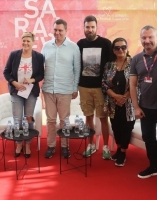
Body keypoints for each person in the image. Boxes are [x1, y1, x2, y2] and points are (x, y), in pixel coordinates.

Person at [41, 19, 80, 159]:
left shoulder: (73, 47)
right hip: (48, 89)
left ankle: (65, 146)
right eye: (55, 30)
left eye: (60, 30)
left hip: (65, 90)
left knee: (64, 120)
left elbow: (77, 69)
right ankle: (51, 146)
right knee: (50, 120)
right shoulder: (46, 46)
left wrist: (75, 88)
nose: (57, 32)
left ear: (66, 31)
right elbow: (40, 66)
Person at [3, 32, 44, 158]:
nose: (25, 43)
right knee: (17, 119)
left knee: (29, 118)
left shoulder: (39, 56)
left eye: (28, 41)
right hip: (16, 92)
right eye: (24, 40)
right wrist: (14, 83)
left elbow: (41, 75)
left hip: (31, 92)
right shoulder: (14, 55)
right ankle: (19, 143)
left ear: (33, 42)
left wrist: (32, 80)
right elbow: (6, 72)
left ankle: (27, 143)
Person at [77, 15, 112, 159]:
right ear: (84, 28)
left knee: (103, 118)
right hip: (84, 87)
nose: (90, 30)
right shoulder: (79, 44)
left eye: (92, 27)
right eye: (87, 27)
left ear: (97, 28)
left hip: (101, 89)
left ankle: (105, 147)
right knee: (88, 117)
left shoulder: (106, 43)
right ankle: (90, 145)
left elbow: (111, 67)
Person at [130, 25, 157, 178]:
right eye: (144, 38)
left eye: (150, 37)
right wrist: (136, 107)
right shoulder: (136, 59)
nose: (147, 40)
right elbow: (133, 85)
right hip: (145, 107)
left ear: (156, 37)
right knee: (149, 138)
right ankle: (155, 166)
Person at [102, 38, 135, 166]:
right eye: (117, 48)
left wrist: (124, 97)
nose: (120, 50)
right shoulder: (109, 65)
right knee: (116, 127)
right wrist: (115, 96)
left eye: (123, 47)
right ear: (113, 50)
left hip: (129, 104)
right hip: (112, 102)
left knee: (126, 128)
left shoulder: (133, 63)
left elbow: (137, 84)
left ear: (127, 48)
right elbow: (104, 83)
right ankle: (118, 148)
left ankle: (123, 152)